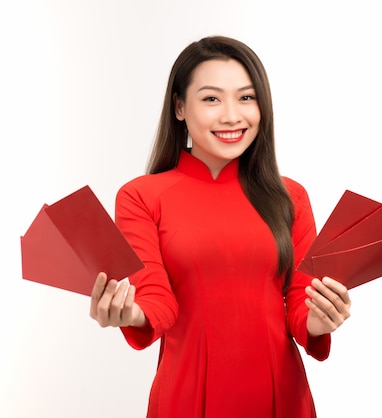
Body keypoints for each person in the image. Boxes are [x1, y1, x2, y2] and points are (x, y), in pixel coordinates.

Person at [89, 35, 351, 418]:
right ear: (179, 106)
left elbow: (299, 302)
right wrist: (128, 313)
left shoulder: (290, 196)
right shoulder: (141, 197)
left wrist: (319, 316)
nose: (232, 115)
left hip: (280, 395)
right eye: (212, 98)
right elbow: (155, 300)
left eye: (246, 97)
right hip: (187, 394)